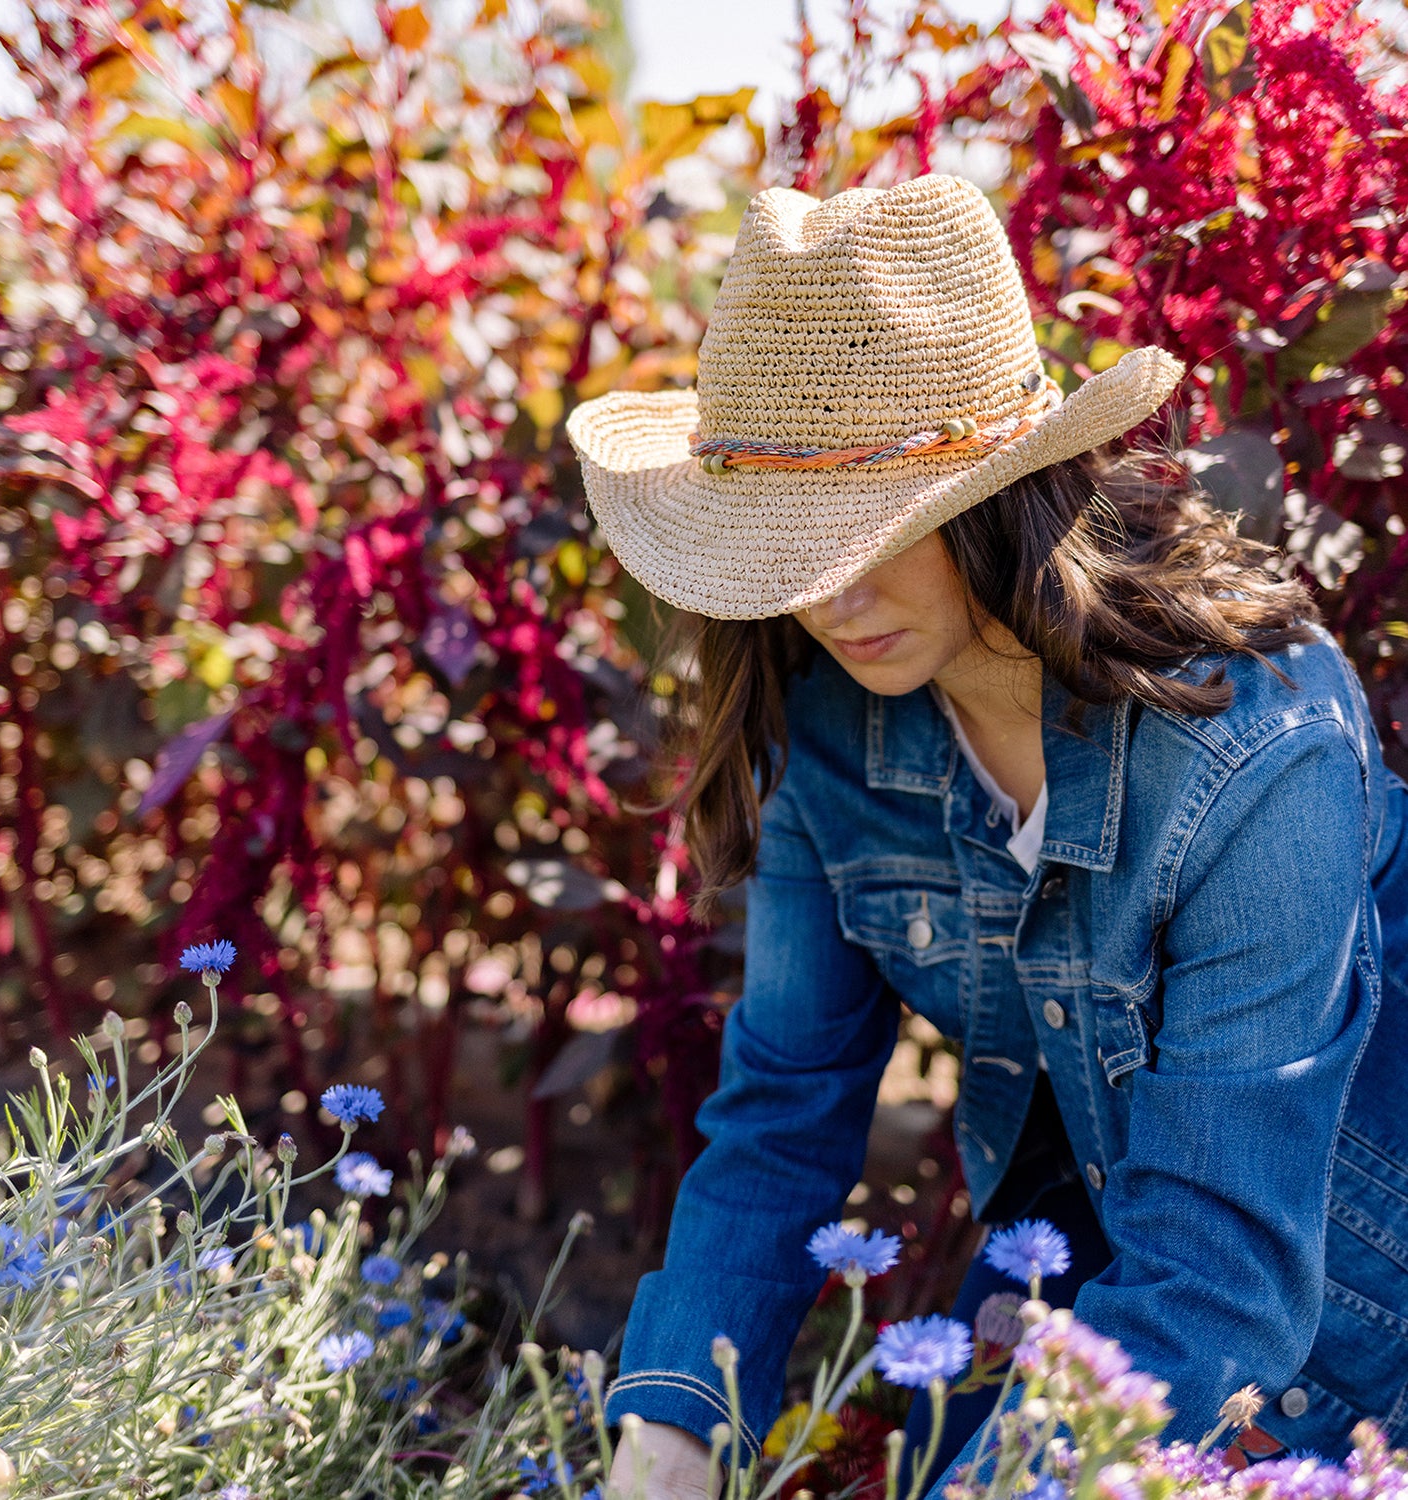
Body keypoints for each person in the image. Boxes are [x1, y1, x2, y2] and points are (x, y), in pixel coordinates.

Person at [565, 175, 1408, 1499]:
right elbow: (783, 1108)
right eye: (791, 543)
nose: (832, 594)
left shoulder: (1260, 746)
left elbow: (1225, 1271)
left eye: (877, 530)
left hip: (1338, 1339)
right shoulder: (834, 726)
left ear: (1004, 495)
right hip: (1074, 1291)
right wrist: (668, 1429)